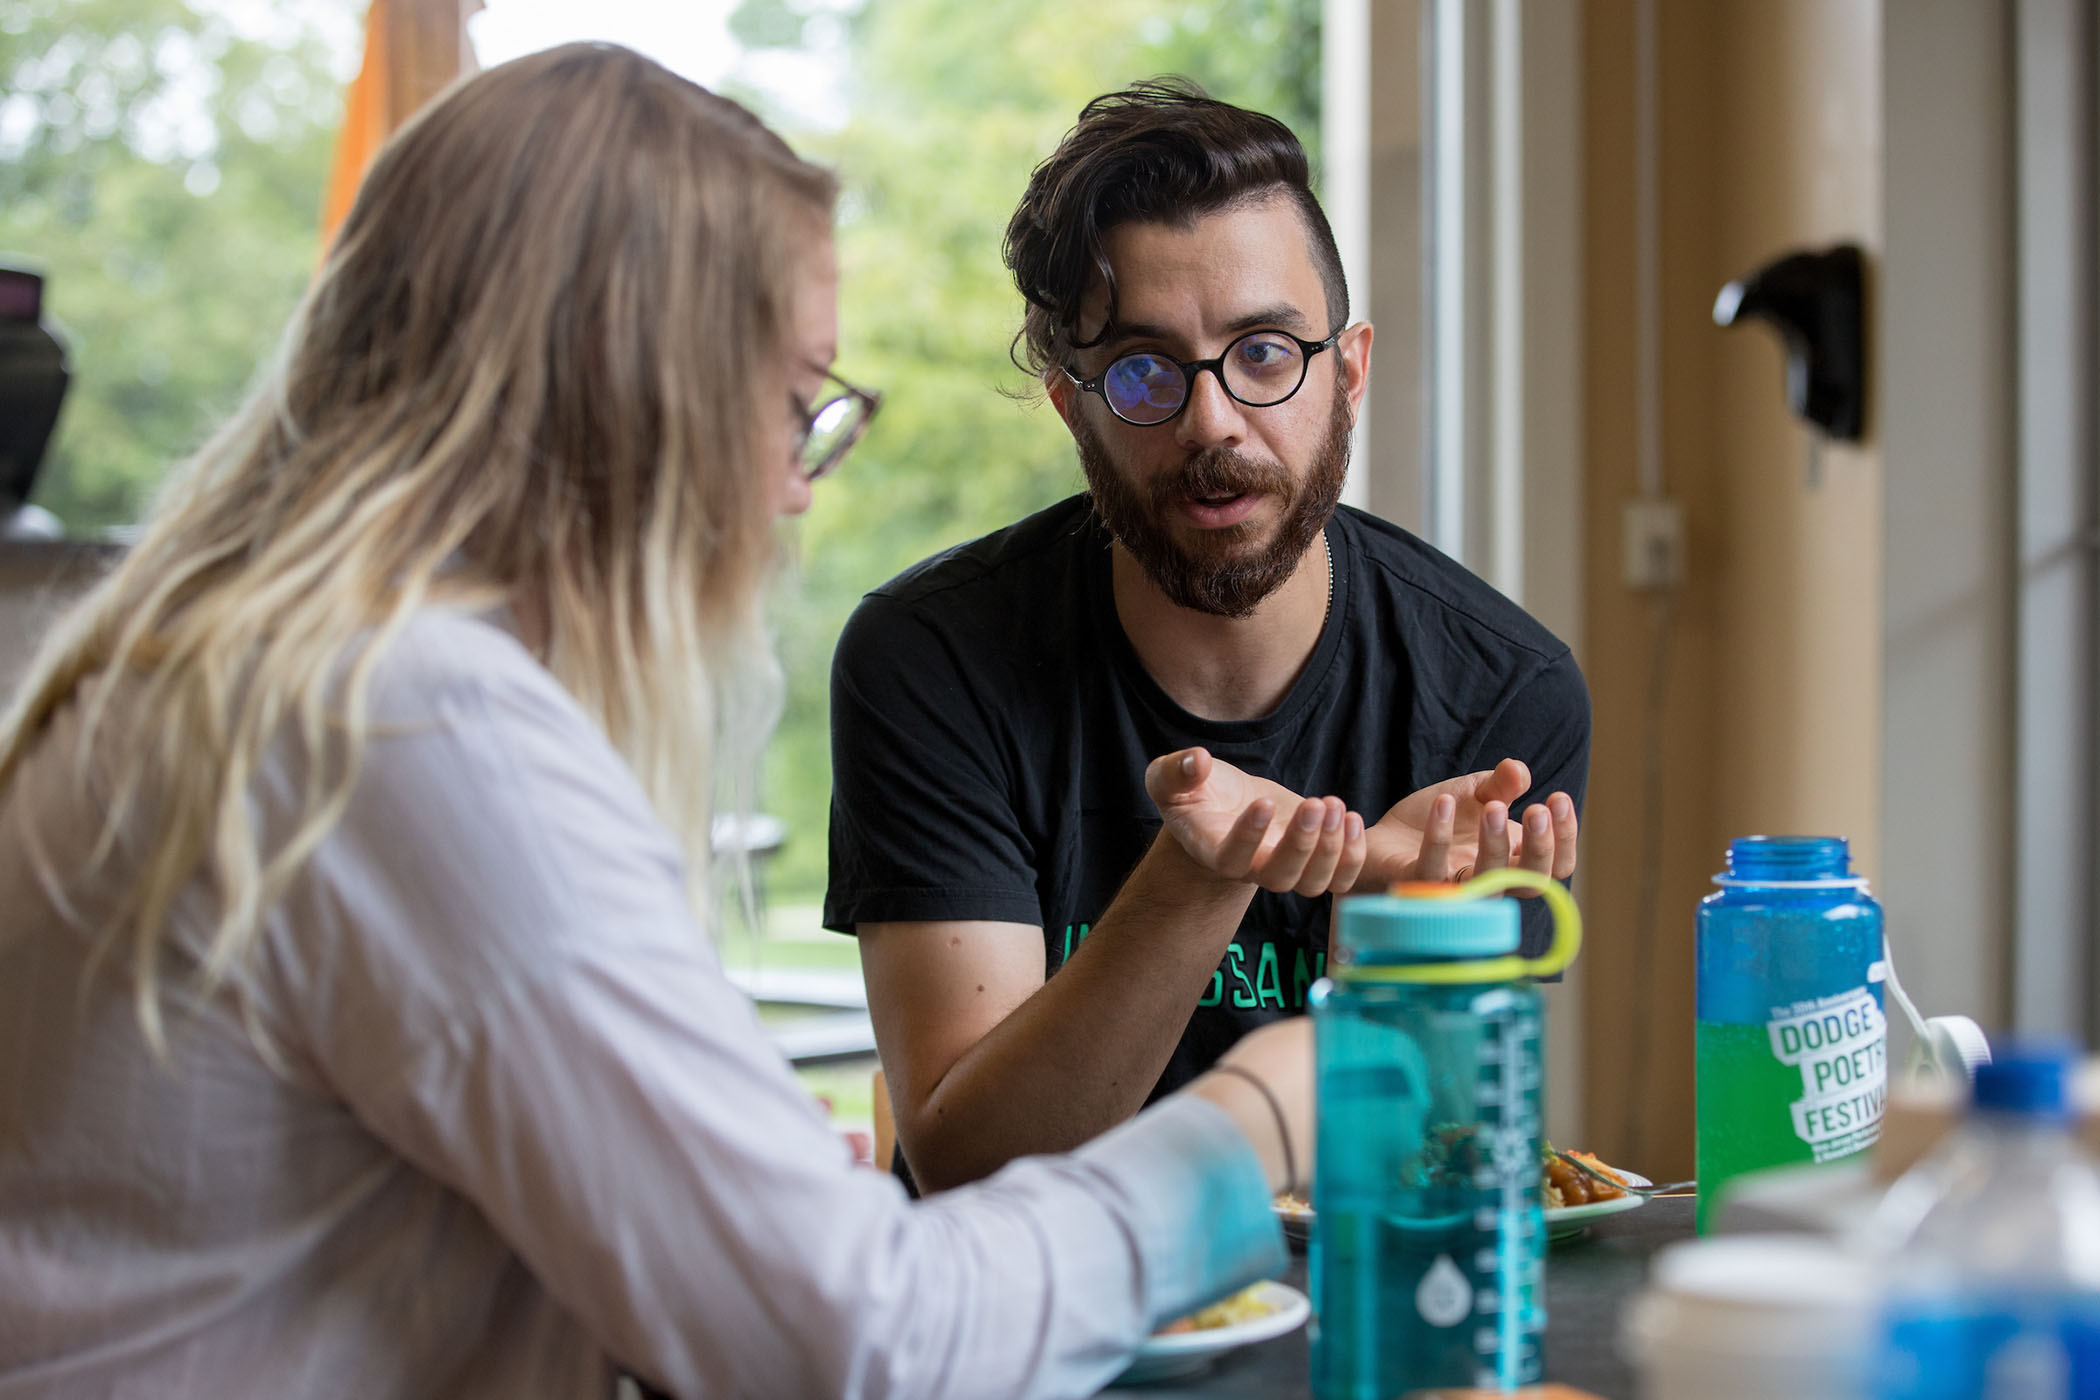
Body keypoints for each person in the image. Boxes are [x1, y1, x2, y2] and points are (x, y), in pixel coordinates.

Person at [0, 47, 1313, 1400]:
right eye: (798, 404)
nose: (796, 490)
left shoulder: (224, 666)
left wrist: (729, 1206)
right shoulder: (406, 729)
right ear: (639, 398)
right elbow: (866, 1346)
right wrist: (1265, 1111)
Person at [828, 80, 1590, 1195]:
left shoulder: (1498, 692)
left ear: (1352, 371)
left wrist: (1383, 944)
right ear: (1069, 404)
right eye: (1142, 371)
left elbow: (1436, 1177)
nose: (1214, 421)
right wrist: (1196, 877)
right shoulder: (932, 659)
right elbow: (969, 1162)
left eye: (1268, 352)